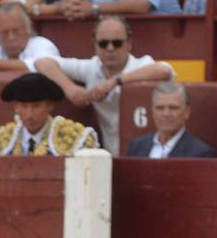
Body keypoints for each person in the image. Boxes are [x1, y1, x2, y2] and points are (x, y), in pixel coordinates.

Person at [36, 14, 176, 152]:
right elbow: (42, 62)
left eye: (117, 43)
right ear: (95, 45)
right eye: (103, 44)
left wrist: (115, 81)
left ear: (129, 44)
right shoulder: (91, 68)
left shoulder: (140, 65)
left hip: (145, 151)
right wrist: (70, 89)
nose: (110, 49)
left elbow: (165, 70)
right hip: (111, 153)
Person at [0, 71, 100, 154]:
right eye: (24, 106)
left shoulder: (75, 137)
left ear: (50, 105)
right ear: (16, 106)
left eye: (36, 106)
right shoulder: (3, 138)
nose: (29, 114)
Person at [125, 81, 217, 157]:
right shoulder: (136, 146)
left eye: (173, 108)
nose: (166, 114)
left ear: (186, 112)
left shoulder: (201, 153)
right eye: (160, 108)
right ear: (152, 112)